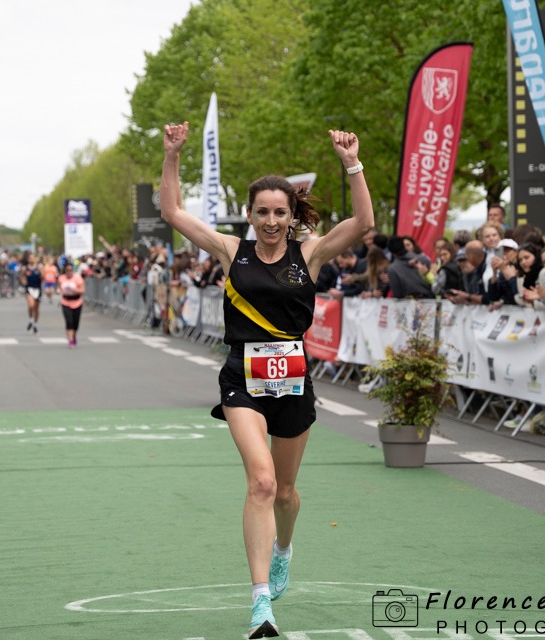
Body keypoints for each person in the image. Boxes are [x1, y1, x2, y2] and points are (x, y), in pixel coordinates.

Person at [160, 121, 374, 639]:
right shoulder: (233, 251)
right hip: (242, 377)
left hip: (293, 380)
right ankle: (260, 605)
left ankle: (284, 549)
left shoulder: (312, 253)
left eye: (281, 212)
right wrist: (172, 156)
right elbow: (173, 212)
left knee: (286, 493)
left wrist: (353, 163)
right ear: (250, 214)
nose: (272, 221)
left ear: (290, 214)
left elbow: (363, 223)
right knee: (260, 482)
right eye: (263, 212)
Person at [57, 262, 85, 347]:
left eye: (70, 270)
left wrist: (75, 290)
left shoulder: (78, 278)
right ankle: (70, 340)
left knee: (75, 323)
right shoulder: (61, 278)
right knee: (69, 321)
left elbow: (83, 290)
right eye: (67, 270)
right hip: (66, 302)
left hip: (77, 302)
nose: (69, 272)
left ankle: (74, 335)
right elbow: (59, 287)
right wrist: (59, 291)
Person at [24, 258, 42, 333]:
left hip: (37, 289)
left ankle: (35, 324)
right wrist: (23, 281)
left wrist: (41, 272)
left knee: (36, 308)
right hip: (29, 288)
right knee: (31, 305)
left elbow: (43, 277)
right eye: (30, 258)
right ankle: (30, 320)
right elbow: (21, 275)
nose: (32, 259)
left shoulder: (39, 267)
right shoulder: (25, 268)